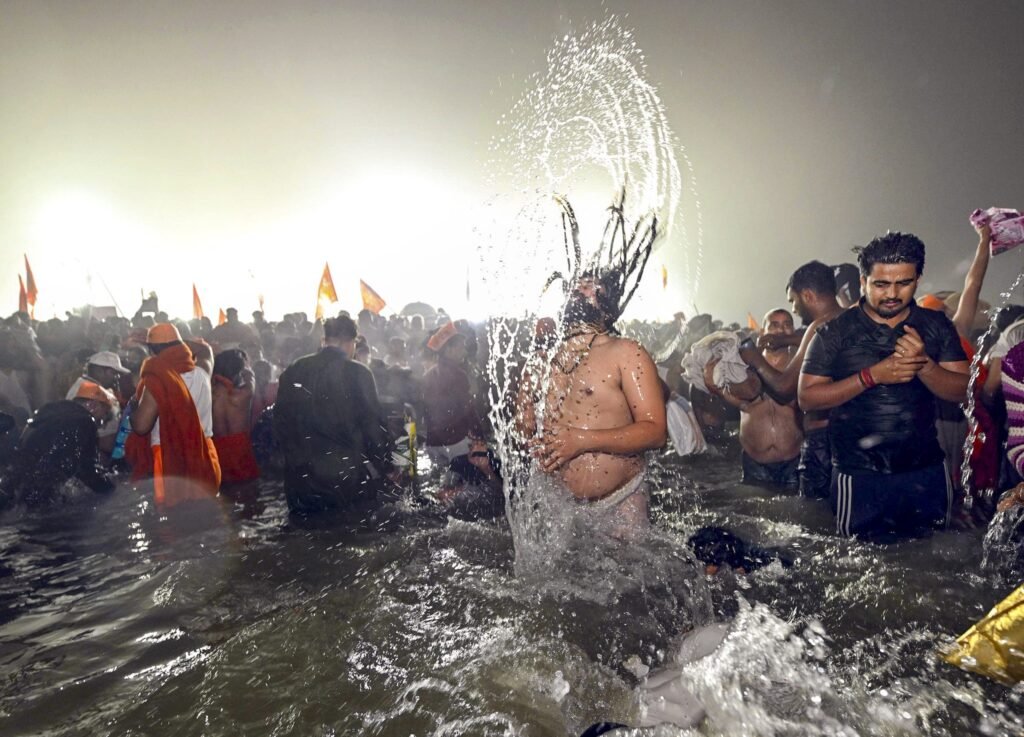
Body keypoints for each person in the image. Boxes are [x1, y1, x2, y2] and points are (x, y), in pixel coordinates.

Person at [798, 232, 969, 538]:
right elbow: (807, 399)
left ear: (918, 278)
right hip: (860, 475)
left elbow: (963, 392)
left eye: (903, 283)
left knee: (935, 565)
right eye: (881, 284)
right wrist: (872, 376)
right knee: (860, 568)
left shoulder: (935, 324)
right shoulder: (834, 332)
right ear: (863, 282)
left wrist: (924, 364)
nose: (892, 293)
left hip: (927, 470)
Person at [520, 271, 667, 536]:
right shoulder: (541, 361)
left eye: (590, 286)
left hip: (621, 501)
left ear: (609, 308)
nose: (579, 289)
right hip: (559, 504)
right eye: (576, 285)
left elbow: (656, 432)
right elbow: (524, 434)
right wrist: (526, 413)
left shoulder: (626, 352)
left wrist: (581, 440)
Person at [739, 261, 843, 499]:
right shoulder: (852, 319)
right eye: (774, 325)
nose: (795, 309)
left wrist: (753, 357)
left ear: (806, 295)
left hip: (823, 441)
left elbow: (785, 388)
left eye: (793, 302)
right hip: (850, 442)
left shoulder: (818, 327)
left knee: (814, 515)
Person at [273, 315, 393, 514]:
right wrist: (387, 466)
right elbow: (374, 426)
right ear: (350, 342)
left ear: (325, 340)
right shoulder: (358, 372)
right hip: (344, 478)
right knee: (350, 534)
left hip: (300, 480)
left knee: (307, 537)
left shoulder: (294, 369)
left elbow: (280, 422)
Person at [127, 323, 221, 507]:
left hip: (170, 458)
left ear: (152, 351)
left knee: (173, 519)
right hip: (205, 453)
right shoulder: (202, 372)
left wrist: (133, 407)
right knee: (205, 511)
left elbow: (141, 426)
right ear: (181, 345)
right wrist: (173, 340)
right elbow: (204, 349)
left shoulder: (156, 381)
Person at [716, 309, 803, 489]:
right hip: (755, 461)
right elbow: (718, 386)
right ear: (762, 332)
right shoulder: (743, 365)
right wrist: (741, 403)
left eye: (787, 325)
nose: (781, 330)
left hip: (794, 460)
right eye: (774, 325)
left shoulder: (801, 366)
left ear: (793, 333)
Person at [0, 382, 115, 507]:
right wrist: (111, 491)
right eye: (103, 417)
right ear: (93, 405)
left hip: (13, 482)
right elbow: (88, 471)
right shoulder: (85, 421)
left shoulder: (48, 409)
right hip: (42, 493)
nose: (101, 424)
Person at [420, 322, 480, 468]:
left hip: (433, 444)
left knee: (446, 485)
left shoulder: (428, 374)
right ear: (449, 350)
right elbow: (468, 409)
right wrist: (480, 438)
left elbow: (425, 411)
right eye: (461, 347)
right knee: (471, 484)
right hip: (455, 444)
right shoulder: (459, 375)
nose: (464, 351)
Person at [65, 350, 131, 455]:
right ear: (99, 371)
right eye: (113, 372)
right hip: (96, 454)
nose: (117, 377)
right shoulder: (88, 393)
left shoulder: (93, 387)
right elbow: (98, 438)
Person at [211, 349, 260, 486]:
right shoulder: (243, 394)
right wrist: (245, 365)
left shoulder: (210, 395)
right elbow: (250, 375)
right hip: (240, 449)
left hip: (217, 448)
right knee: (248, 493)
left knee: (223, 492)